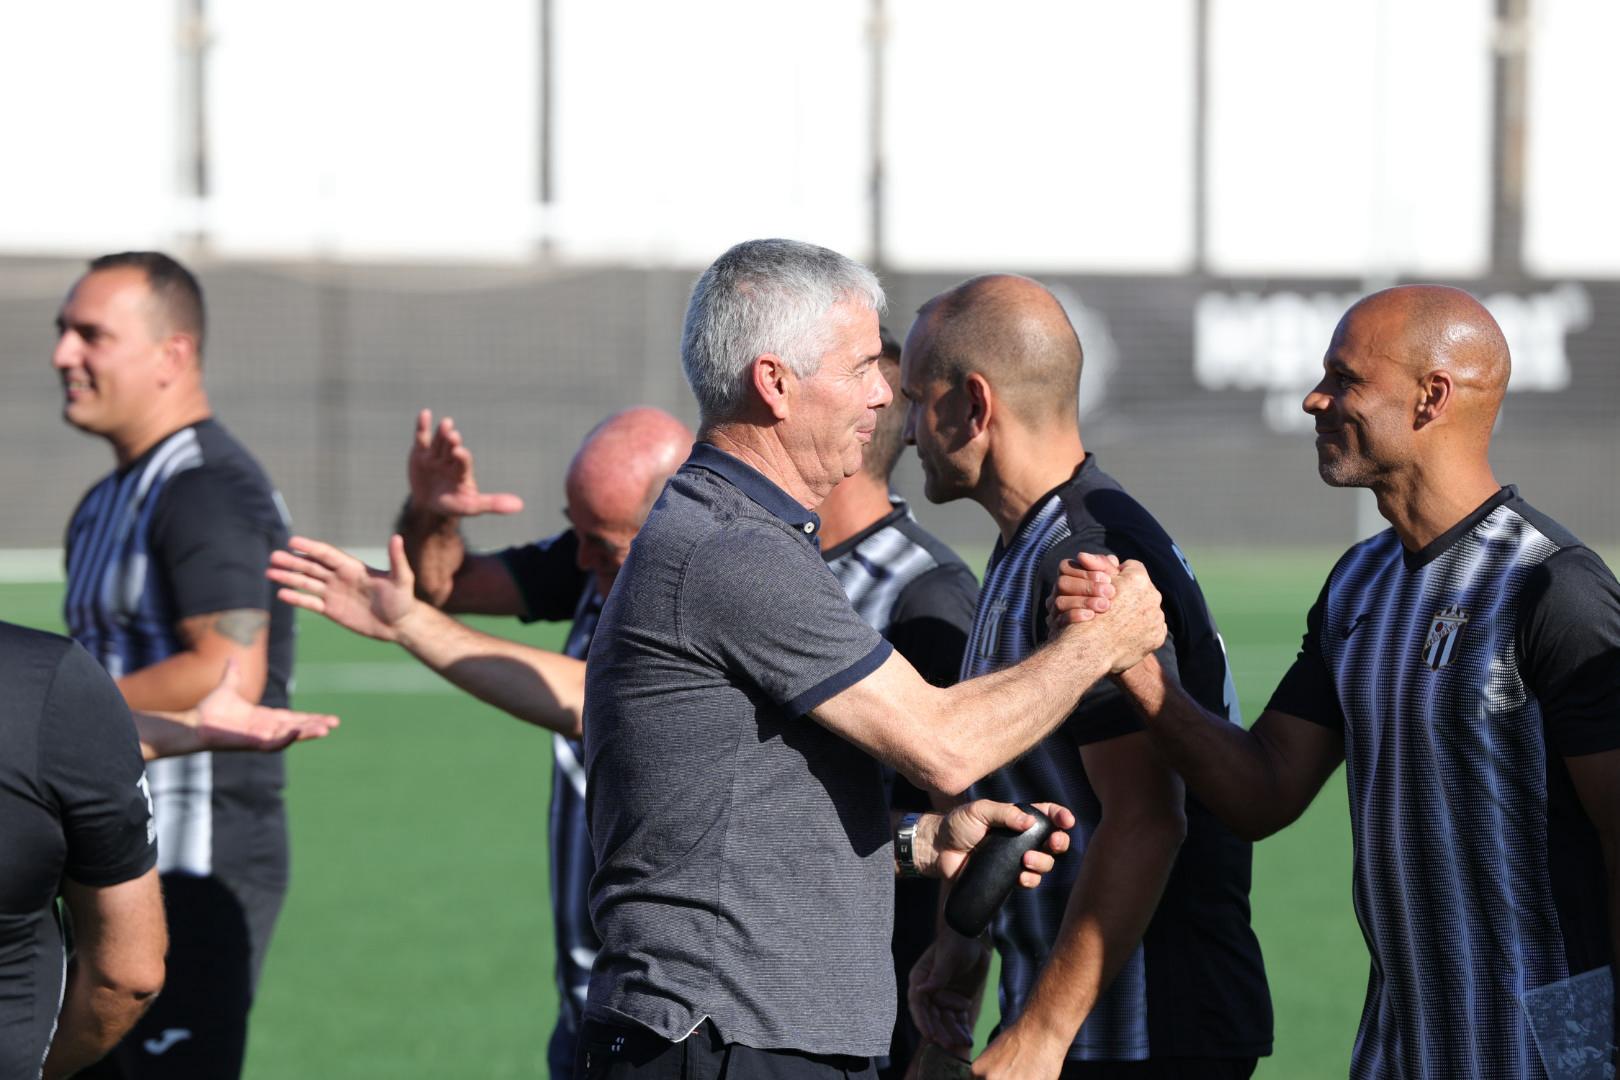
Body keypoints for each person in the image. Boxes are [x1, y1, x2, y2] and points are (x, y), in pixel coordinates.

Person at [579, 238, 1166, 1078]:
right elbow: (945, 743)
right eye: (859, 367)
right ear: (775, 383)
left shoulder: (743, 537)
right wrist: (1103, 641)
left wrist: (917, 842)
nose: (884, 394)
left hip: (740, 1038)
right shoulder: (736, 551)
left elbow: (736, 814)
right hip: (726, 1043)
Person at [1055, 285, 1620, 1079]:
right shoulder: (1360, 580)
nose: (1313, 399)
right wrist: (1136, 669)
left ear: (1432, 397)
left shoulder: (1551, 589)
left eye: (1344, 378)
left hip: (1541, 1056)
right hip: (1397, 1049)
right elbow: (1263, 791)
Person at [898, 275, 1271, 1079]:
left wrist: (1041, 1036)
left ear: (973, 405)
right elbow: (1039, 804)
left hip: (1145, 1031)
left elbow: (1146, 819)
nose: (903, 431)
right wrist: (962, 950)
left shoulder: (1084, 556)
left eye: (914, 400)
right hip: (1095, 1028)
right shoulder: (1032, 542)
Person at [269, 404, 694, 1080]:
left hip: (674, 1011)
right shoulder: (598, 562)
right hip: (594, 993)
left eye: (604, 545)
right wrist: (434, 513)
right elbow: (449, 584)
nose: (582, 560)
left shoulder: (708, 591)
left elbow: (607, 704)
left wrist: (407, 625)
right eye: (575, 532)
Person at [53, 251, 299, 1079]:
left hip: (188, 865)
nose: (64, 355)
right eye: (62, 332)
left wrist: (47, 728)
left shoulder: (205, 489)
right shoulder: (106, 500)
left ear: (173, 355)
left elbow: (228, 668)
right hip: (109, 855)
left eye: (91, 334)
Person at [816, 328, 981, 1079]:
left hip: (876, 1013)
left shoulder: (927, 596)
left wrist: (944, 1027)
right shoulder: (783, 568)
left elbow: (965, 818)